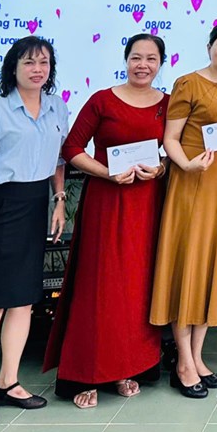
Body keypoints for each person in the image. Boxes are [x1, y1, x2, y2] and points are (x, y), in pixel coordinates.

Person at [43, 34, 169, 409]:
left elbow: (171, 152)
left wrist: (160, 169)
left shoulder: (167, 104)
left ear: (161, 63)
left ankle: (128, 367)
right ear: (125, 60)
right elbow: (71, 148)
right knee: (100, 286)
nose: (142, 65)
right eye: (136, 57)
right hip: (107, 203)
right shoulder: (102, 100)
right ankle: (88, 372)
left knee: (138, 287)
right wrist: (106, 173)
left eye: (150, 58)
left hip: (147, 204)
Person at [0, 36, 67, 429]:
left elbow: (58, 158)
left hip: (35, 206)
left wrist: (59, 199)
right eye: (29, 62)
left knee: (23, 302)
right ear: (13, 68)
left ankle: (8, 381)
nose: (37, 69)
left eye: (44, 63)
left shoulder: (56, 106)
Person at [150, 23, 217, 399]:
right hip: (193, 183)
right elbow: (170, 138)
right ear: (210, 46)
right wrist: (187, 165)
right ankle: (182, 361)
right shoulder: (188, 83)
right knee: (189, 267)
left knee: (213, 266)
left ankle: (197, 356)